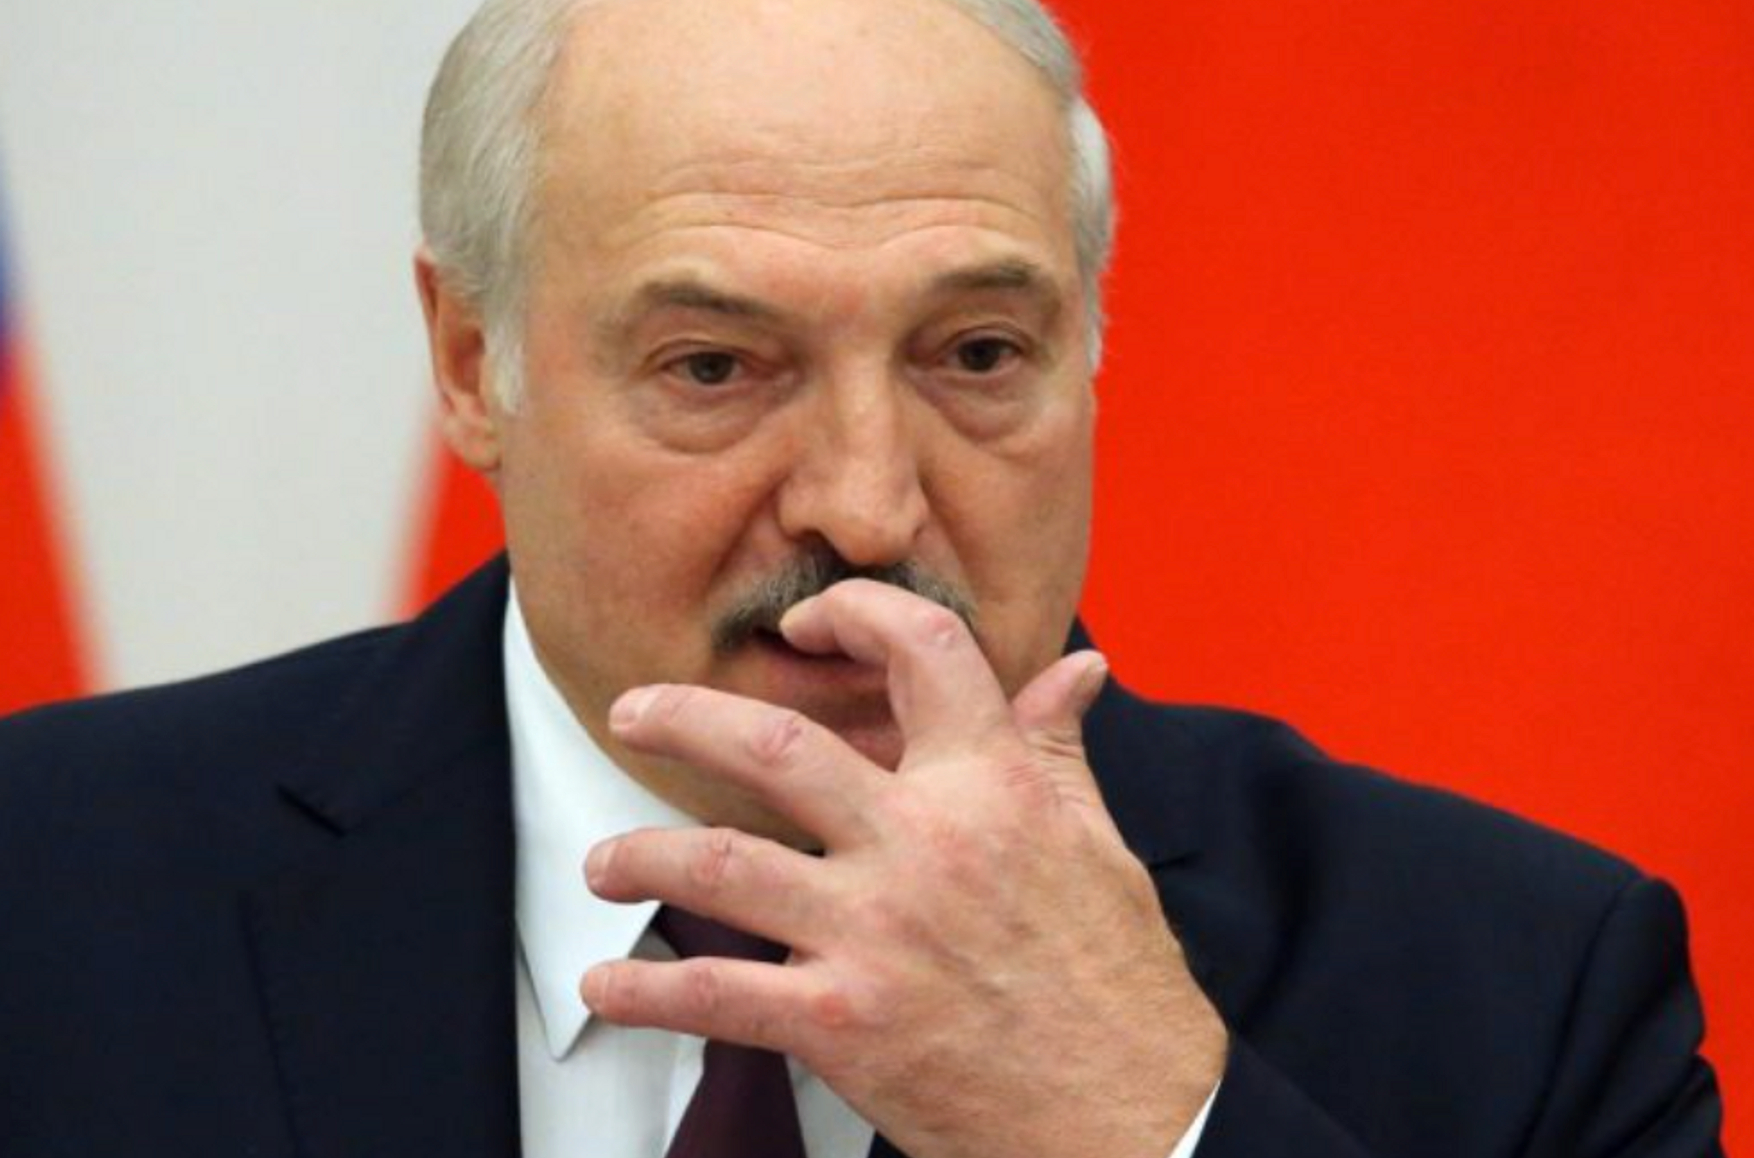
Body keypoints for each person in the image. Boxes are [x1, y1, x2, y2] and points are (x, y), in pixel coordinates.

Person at [0, 0, 1724, 1155]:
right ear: (471, 363)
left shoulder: (1516, 982)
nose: (866, 507)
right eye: (714, 367)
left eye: (974, 355)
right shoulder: (48, 895)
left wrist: (1144, 1127)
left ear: (1088, 350)